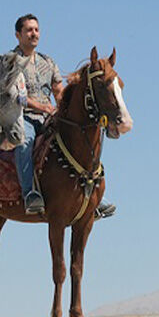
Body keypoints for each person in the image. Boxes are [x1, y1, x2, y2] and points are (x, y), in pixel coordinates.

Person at [11, 13, 115, 218]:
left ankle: (92, 196)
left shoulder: (47, 61)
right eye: (29, 30)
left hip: (48, 116)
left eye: (36, 30)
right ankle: (29, 193)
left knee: (80, 138)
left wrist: (63, 107)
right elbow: (15, 95)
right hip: (22, 116)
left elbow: (58, 90)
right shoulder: (12, 62)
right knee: (24, 143)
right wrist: (43, 107)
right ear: (18, 35)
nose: (34, 34)